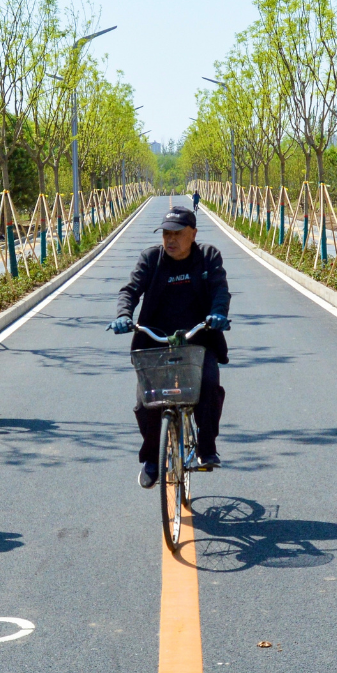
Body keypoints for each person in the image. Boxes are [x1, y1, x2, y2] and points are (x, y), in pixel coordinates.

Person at [110, 203, 230, 488]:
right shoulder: (151, 259)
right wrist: (123, 315)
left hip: (199, 341)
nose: (170, 239)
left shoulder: (208, 257)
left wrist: (218, 314)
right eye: (166, 234)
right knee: (146, 402)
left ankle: (206, 449)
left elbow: (220, 290)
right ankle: (152, 459)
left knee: (209, 385)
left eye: (177, 233)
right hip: (155, 342)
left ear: (193, 234)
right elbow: (130, 290)